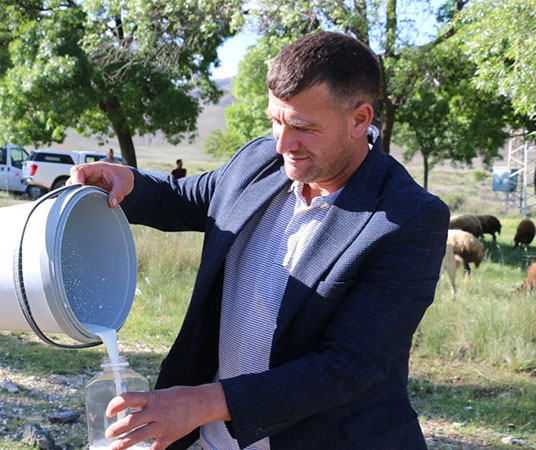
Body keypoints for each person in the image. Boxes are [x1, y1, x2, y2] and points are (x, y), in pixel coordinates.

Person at [69, 32, 448, 450]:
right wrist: (130, 182)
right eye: (275, 120)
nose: (283, 144)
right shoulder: (259, 160)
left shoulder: (408, 218)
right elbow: (186, 198)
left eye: (303, 126)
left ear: (360, 119)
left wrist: (198, 403)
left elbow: (348, 367)